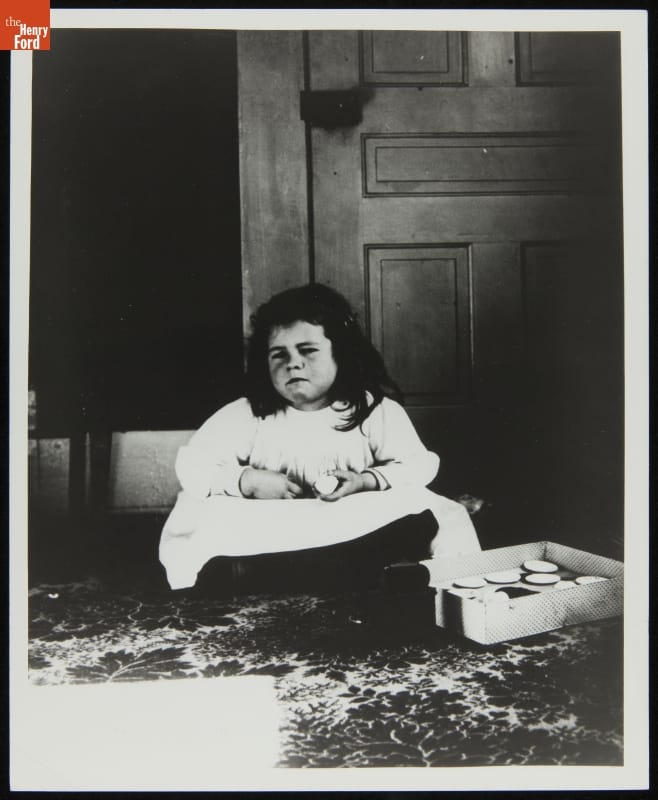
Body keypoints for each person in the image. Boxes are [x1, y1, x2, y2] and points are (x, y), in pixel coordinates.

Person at [159, 283, 480, 592]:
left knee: (432, 506)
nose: (293, 363)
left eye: (307, 350)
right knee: (203, 509)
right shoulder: (248, 413)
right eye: (278, 355)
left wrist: (364, 481)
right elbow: (193, 467)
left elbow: (417, 467)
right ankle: (317, 567)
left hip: (348, 519)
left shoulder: (372, 410)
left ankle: (322, 567)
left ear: (340, 353)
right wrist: (248, 481)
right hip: (274, 523)